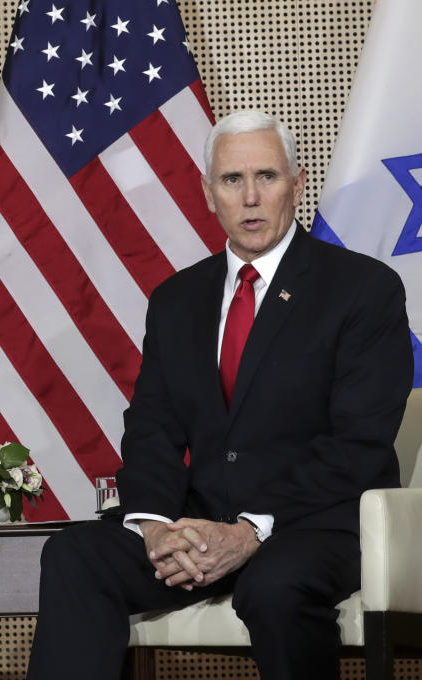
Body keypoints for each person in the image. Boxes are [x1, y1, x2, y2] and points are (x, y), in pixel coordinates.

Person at [26, 110, 413, 680]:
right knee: (75, 555)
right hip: (201, 527)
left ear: (298, 184)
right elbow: (153, 427)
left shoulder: (363, 289)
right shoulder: (177, 299)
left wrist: (251, 530)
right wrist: (158, 527)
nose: (251, 197)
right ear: (209, 195)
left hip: (317, 525)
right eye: (233, 181)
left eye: (268, 177)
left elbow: (358, 443)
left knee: (274, 584)